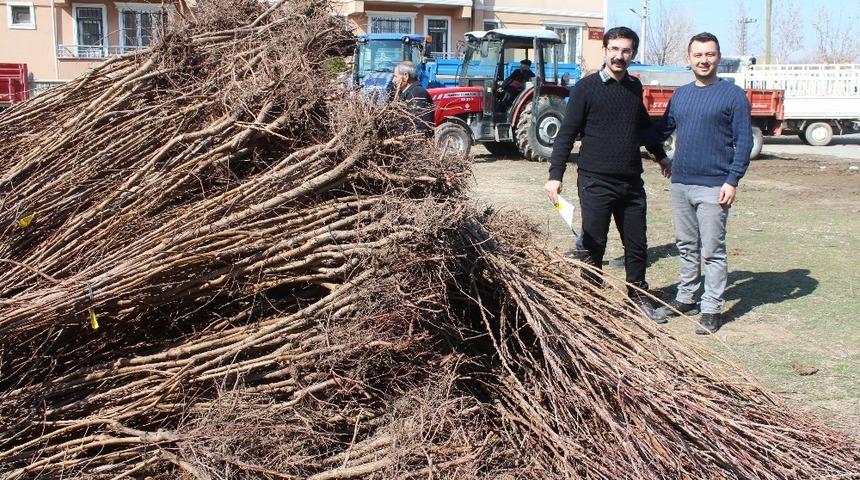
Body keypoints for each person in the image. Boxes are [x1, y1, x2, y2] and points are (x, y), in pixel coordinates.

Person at [544, 26, 671, 321]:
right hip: (595, 181)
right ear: (605, 50)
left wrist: (661, 156)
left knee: (637, 244)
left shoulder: (634, 88)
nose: (619, 55)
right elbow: (566, 134)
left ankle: (638, 297)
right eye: (614, 49)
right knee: (593, 244)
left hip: (630, 182)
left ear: (633, 54)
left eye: (626, 50)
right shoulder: (585, 89)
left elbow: (641, 125)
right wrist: (555, 175)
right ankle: (590, 302)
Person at [650, 33, 752, 334]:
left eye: (709, 54)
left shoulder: (732, 95)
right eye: (698, 55)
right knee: (686, 245)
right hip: (681, 182)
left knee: (712, 250)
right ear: (689, 58)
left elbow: (744, 141)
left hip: (714, 185)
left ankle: (711, 308)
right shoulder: (680, 95)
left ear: (718, 57)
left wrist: (732, 180)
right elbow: (663, 129)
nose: (704, 60)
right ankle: (686, 297)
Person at [393, 61, 434, 136]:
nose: (393, 80)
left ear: (405, 76)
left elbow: (422, 127)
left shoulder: (418, 93)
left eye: (395, 76)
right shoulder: (405, 93)